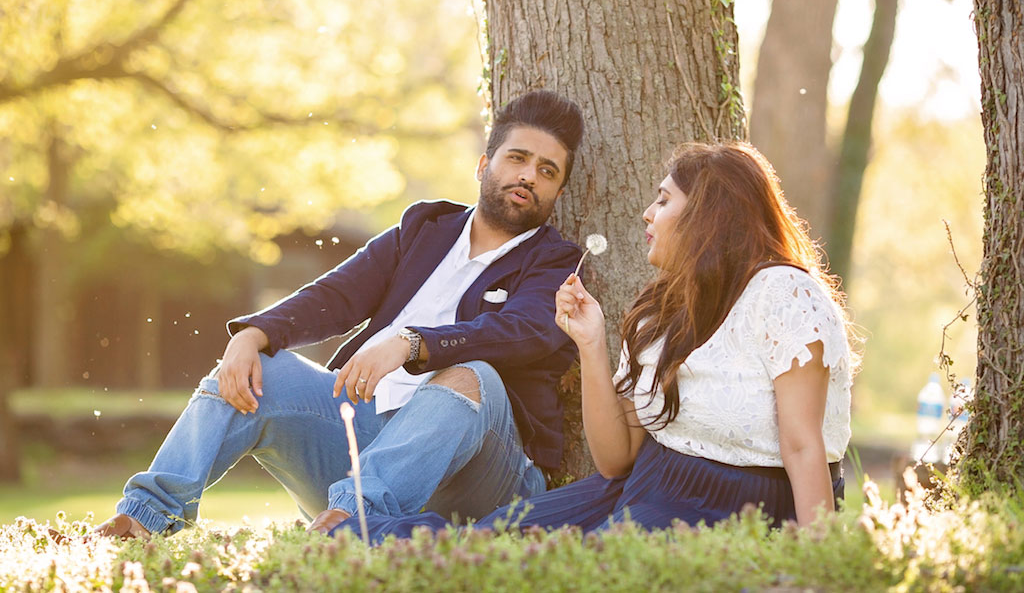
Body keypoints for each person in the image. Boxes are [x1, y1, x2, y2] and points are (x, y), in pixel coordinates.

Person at [88, 90, 585, 539]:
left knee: (472, 376)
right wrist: (253, 334)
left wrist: (412, 343)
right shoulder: (424, 229)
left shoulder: (555, 262)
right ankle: (146, 518)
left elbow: (522, 332)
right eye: (517, 158)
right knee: (265, 366)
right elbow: (336, 294)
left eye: (547, 171)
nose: (528, 176)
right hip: (366, 443)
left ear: (557, 192)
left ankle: (353, 524)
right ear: (483, 165)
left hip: (482, 470)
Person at [338, 141, 854, 540]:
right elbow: (616, 460)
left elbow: (804, 445)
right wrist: (591, 345)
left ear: (709, 215)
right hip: (645, 485)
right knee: (491, 546)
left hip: (746, 508)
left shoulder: (784, 294)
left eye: (664, 200)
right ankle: (346, 538)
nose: (648, 215)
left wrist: (815, 568)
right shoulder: (662, 311)